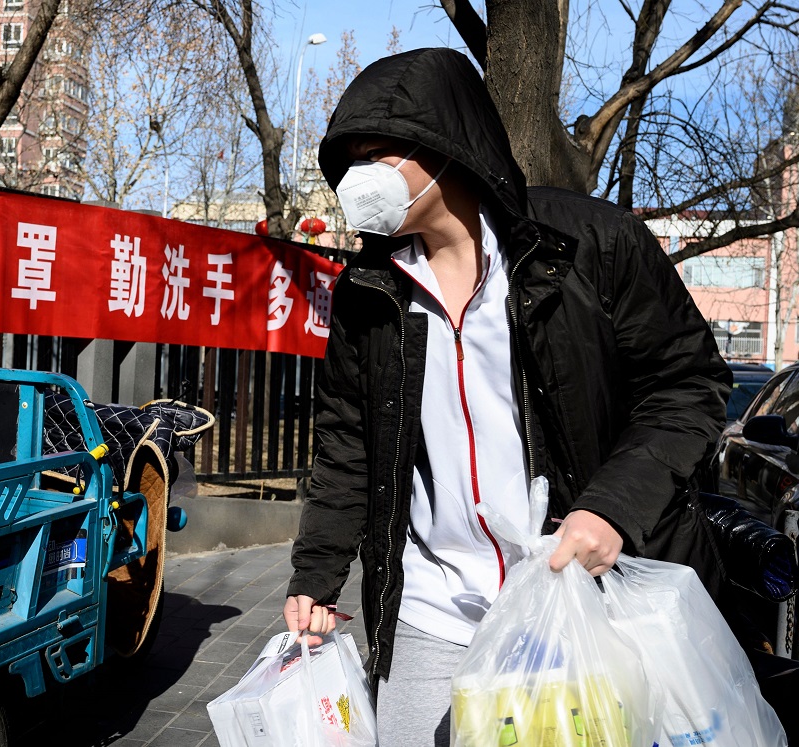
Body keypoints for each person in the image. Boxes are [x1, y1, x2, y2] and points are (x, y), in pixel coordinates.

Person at [283, 48, 730, 744]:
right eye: (350, 162)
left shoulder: (588, 246)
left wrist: (612, 508)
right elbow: (347, 443)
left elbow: (687, 384)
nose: (358, 179)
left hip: (581, 600)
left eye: (377, 154)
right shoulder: (367, 292)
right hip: (431, 609)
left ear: (444, 144)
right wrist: (315, 575)